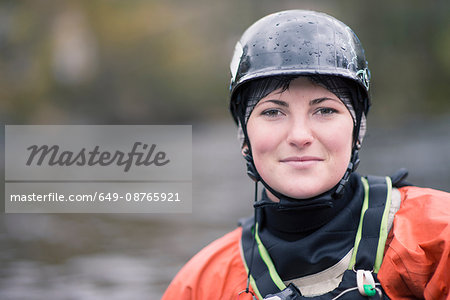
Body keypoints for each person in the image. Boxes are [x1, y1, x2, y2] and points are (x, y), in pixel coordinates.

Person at [162, 10, 450, 300]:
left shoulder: (438, 238)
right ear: (244, 136)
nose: (300, 136)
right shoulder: (199, 286)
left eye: (325, 110)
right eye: (273, 112)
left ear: (357, 129)